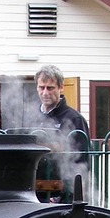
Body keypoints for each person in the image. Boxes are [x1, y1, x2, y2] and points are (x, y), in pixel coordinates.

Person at [28, 65, 90, 202]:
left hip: (62, 195)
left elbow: (82, 163)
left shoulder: (74, 119)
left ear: (61, 88)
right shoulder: (31, 118)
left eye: (50, 88)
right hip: (33, 194)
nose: (45, 93)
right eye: (41, 87)